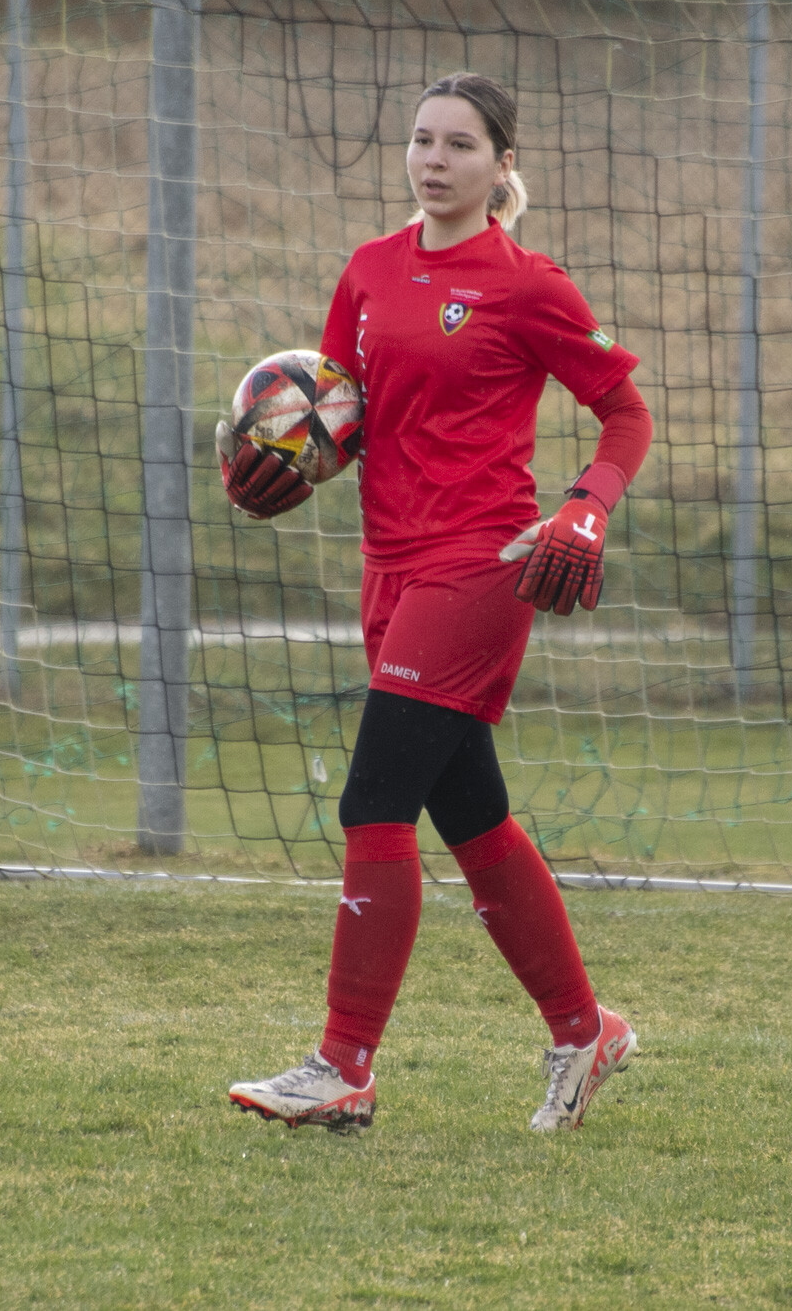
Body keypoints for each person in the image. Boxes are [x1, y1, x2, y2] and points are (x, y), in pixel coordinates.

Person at [217, 72, 653, 1135]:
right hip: (389, 568)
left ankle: (342, 1066)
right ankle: (584, 1030)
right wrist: (281, 460)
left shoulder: (528, 285)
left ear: (501, 166)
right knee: (471, 817)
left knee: (373, 804)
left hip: (480, 565)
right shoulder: (368, 270)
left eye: (459, 145)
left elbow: (625, 413)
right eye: (421, 140)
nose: (434, 160)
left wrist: (586, 506)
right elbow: (340, 416)